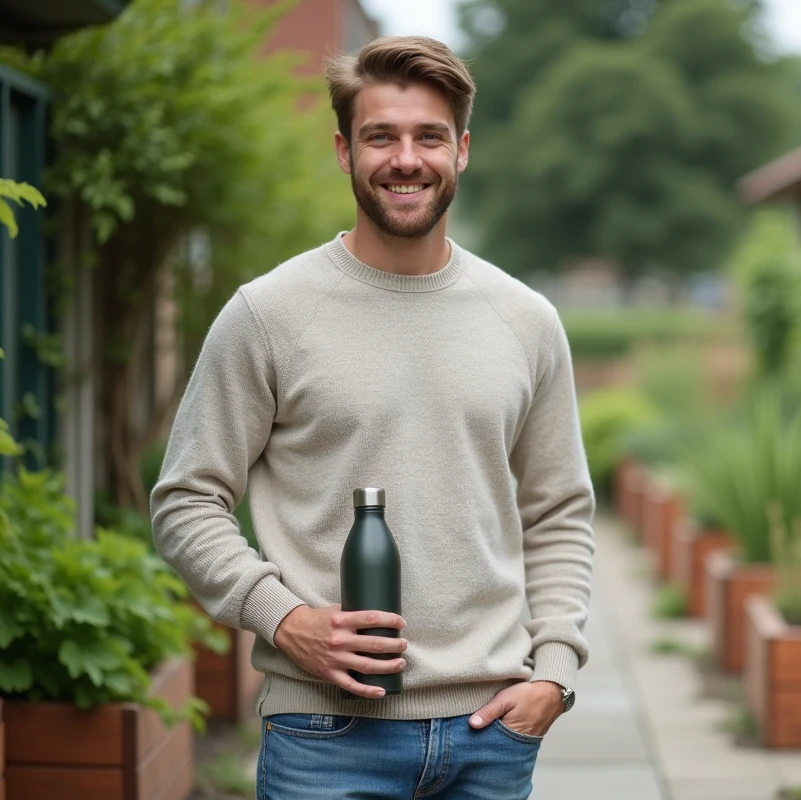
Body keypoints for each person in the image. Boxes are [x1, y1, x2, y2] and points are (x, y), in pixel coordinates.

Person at [150, 35, 595, 800]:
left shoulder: (525, 320)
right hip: (325, 739)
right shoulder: (268, 315)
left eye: (428, 137)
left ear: (462, 150)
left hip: (492, 735)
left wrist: (553, 675)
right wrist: (282, 616)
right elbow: (186, 500)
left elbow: (559, 512)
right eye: (380, 136)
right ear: (343, 149)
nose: (405, 158)